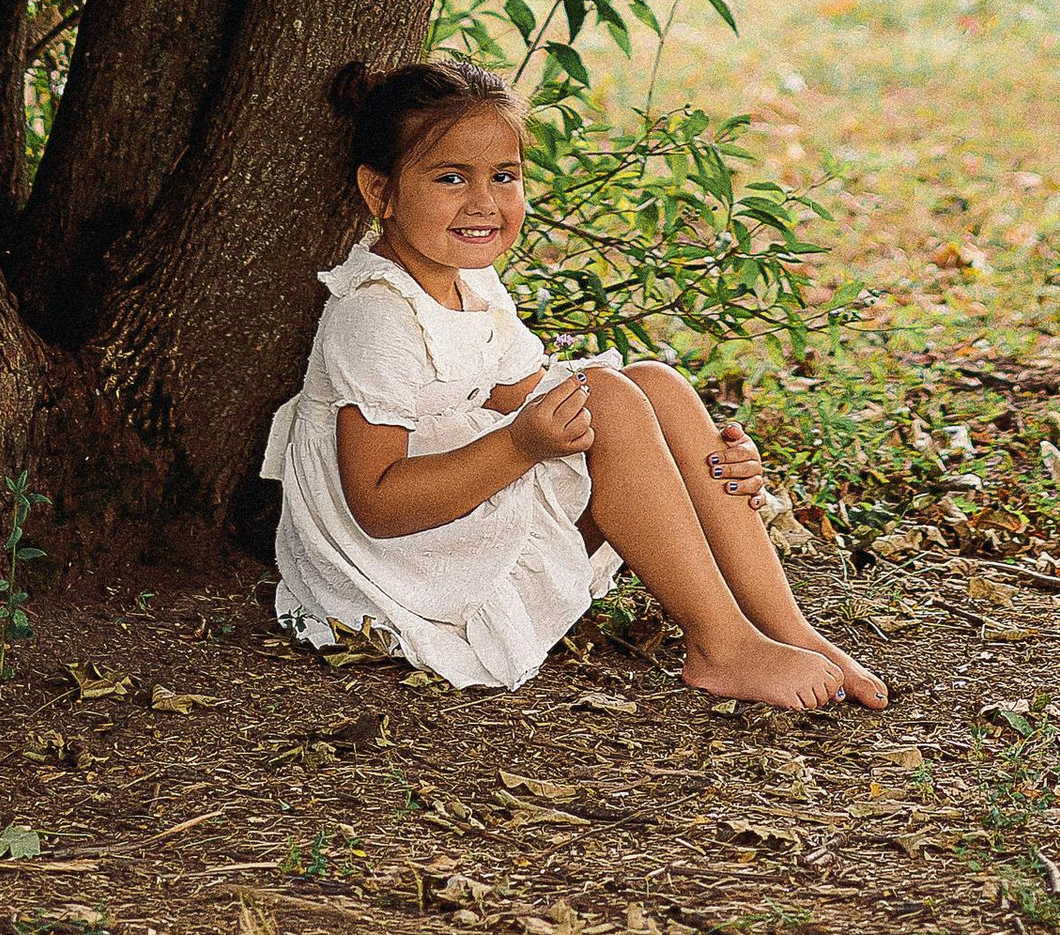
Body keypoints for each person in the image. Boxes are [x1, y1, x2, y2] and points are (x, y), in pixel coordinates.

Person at [259, 56, 888, 709]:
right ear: (379, 191)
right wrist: (520, 446)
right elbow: (378, 505)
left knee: (654, 383)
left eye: (504, 175)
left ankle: (785, 628)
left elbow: (531, 391)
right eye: (451, 177)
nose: (484, 202)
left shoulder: (469, 281)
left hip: (450, 518)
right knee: (612, 395)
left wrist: (699, 458)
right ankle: (720, 644)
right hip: (395, 565)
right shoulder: (374, 315)